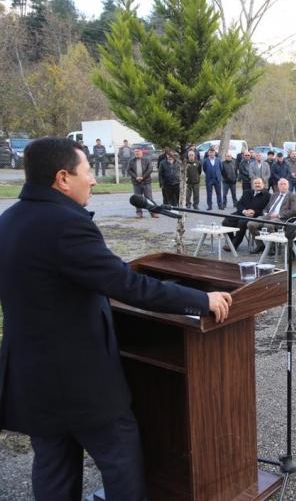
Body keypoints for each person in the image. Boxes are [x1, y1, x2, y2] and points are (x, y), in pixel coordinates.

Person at [0, 137, 232, 500]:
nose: (92, 180)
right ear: (63, 178)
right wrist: (201, 299)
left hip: (33, 377)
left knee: (53, 465)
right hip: (78, 381)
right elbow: (129, 286)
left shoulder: (10, 219)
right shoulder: (65, 224)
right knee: (120, 458)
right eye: (88, 172)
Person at [248, 178, 296, 249]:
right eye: (280, 184)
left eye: (284, 184)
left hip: (281, 219)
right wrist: (265, 213)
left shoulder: (292, 196)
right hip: (268, 216)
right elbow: (267, 207)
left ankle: (272, 247)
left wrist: (278, 215)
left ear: (288, 186)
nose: (282, 186)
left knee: (268, 225)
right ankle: (260, 245)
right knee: (250, 224)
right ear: (278, 186)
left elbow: (293, 210)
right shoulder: (274, 195)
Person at [222, 177, 270, 251]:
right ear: (252, 184)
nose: (257, 185)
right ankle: (231, 242)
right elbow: (239, 204)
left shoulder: (267, 195)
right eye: (255, 183)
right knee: (226, 221)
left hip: (255, 216)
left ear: (263, 184)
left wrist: (254, 212)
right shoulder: (246, 192)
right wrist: (244, 211)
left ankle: (234, 245)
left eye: (259, 183)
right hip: (242, 213)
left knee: (242, 222)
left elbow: (266, 209)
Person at [127, 146, 156, 218]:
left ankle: (152, 212)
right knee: (137, 199)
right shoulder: (131, 160)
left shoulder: (147, 159)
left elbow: (150, 169)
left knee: (149, 198)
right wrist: (136, 177)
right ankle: (139, 213)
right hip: (136, 182)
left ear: (142, 152)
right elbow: (129, 170)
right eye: (135, 152)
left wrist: (143, 177)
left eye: (138, 151)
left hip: (146, 182)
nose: (137, 153)